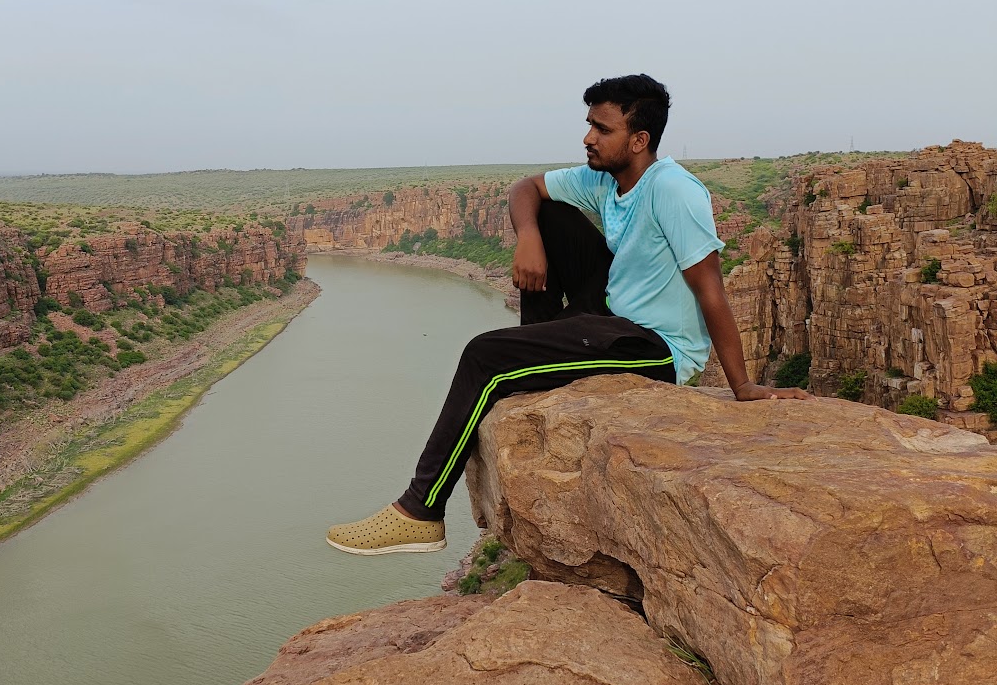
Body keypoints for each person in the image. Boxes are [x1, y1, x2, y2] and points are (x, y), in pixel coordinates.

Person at [326, 73, 809, 555]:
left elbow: (711, 290)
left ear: (638, 140)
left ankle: (421, 512)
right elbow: (525, 188)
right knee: (549, 215)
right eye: (589, 125)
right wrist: (529, 239)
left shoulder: (673, 191)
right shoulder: (608, 177)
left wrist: (741, 386)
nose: (588, 138)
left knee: (484, 354)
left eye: (602, 129)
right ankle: (536, 358)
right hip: (612, 309)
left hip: (654, 346)